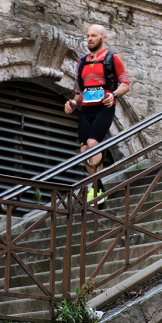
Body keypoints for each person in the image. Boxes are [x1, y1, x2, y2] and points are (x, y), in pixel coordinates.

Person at [64, 25, 130, 202]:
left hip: (104, 107)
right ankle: (97, 188)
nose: (89, 39)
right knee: (84, 149)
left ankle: (96, 188)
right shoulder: (82, 61)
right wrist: (72, 102)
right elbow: (80, 93)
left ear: (103, 38)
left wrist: (114, 94)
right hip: (86, 110)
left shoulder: (112, 58)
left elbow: (125, 83)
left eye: (93, 36)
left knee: (93, 143)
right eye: (87, 36)